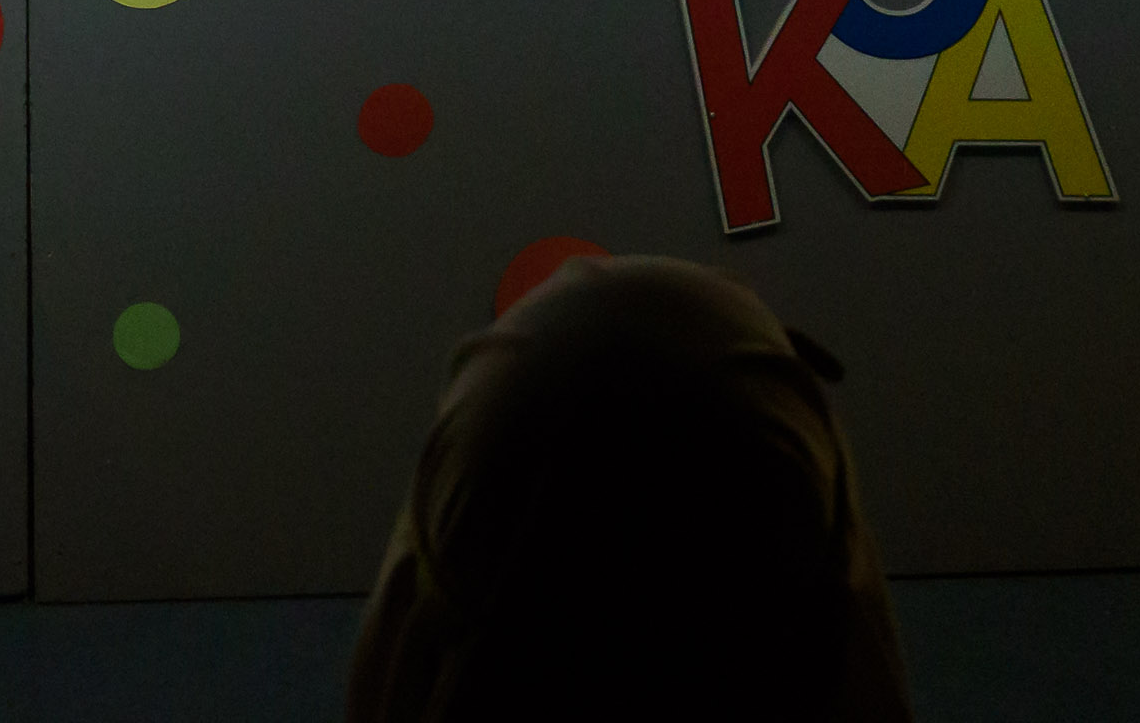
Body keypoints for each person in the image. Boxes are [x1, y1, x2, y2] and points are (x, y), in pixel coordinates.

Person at [346, 256, 914, 723]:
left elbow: (395, 651)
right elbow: (860, 653)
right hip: (742, 396)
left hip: (510, 396)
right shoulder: (751, 374)